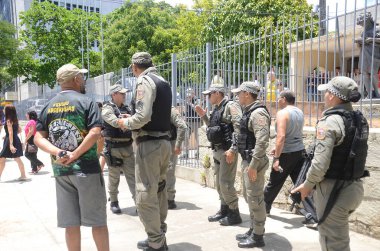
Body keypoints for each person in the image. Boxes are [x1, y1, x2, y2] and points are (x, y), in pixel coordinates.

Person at [34, 63, 109, 251]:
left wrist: (58, 153)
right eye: (81, 77)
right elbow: (95, 132)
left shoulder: (48, 105)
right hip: (87, 170)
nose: (83, 80)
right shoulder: (87, 102)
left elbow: (37, 137)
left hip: (61, 171)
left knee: (71, 224)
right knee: (97, 222)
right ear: (75, 79)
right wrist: (75, 154)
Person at [292, 76, 369, 251]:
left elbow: (319, 165)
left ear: (333, 96)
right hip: (354, 188)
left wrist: (307, 185)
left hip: (333, 191)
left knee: (333, 243)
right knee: (338, 238)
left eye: (326, 92)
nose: (324, 95)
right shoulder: (358, 118)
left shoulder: (330, 121)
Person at [117, 52, 172, 251]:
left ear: (134, 67)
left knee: (145, 195)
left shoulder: (144, 81)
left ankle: (156, 242)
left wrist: (125, 122)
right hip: (164, 142)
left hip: (149, 144)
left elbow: (143, 116)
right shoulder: (163, 81)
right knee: (158, 190)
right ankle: (158, 234)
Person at [263, 90, 317, 226]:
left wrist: (276, 158)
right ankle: (312, 217)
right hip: (299, 152)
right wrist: (278, 148)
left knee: (274, 182)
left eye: (278, 98)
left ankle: (263, 209)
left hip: (286, 154)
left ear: (283, 99)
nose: (277, 101)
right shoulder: (299, 112)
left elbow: (281, 137)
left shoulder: (282, 113)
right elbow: (293, 134)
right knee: (301, 184)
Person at [194, 75, 243, 226]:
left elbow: (239, 128)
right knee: (219, 183)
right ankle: (224, 209)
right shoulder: (217, 108)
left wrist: (233, 149)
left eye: (209, 94)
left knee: (226, 183)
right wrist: (203, 116)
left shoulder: (231, 106)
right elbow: (214, 128)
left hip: (227, 152)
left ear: (217, 93)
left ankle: (234, 213)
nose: (208, 97)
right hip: (217, 151)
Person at [230, 82, 270, 248]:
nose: (237, 96)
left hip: (255, 162)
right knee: (249, 197)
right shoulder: (249, 111)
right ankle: (253, 228)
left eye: (239, 93)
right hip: (248, 161)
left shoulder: (258, 113)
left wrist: (253, 165)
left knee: (255, 199)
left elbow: (262, 141)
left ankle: (258, 236)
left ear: (247, 93)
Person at [101, 84, 135, 214]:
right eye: (122, 93)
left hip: (127, 146)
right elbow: (113, 121)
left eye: (125, 93)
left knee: (132, 176)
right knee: (114, 176)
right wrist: (126, 121)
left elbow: (136, 121)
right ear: (114, 94)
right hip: (113, 147)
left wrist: (129, 119)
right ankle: (114, 201)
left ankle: (138, 203)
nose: (124, 95)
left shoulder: (127, 108)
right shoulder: (107, 108)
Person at [0, 105, 27, 181]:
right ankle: (23, 175)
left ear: (7, 111)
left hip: (10, 141)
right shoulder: (15, 120)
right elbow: (19, 130)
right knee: (17, 158)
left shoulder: (8, 120)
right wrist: (7, 135)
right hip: (14, 139)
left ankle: (23, 175)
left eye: (4, 109)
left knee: (2, 158)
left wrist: (11, 144)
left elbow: (11, 132)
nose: (3, 110)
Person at [167, 106, 187, 209]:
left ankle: (170, 198)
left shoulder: (170, 109)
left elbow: (182, 126)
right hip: (157, 144)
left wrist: (178, 145)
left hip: (170, 143)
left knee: (169, 171)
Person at [182, 88, 200, 159]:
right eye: (187, 95)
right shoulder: (186, 101)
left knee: (198, 138)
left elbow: (197, 109)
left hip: (196, 122)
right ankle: (186, 153)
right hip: (188, 122)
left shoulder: (197, 100)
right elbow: (185, 111)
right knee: (185, 137)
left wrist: (190, 103)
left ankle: (198, 153)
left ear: (193, 94)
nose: (188, 96)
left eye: (190, 95)